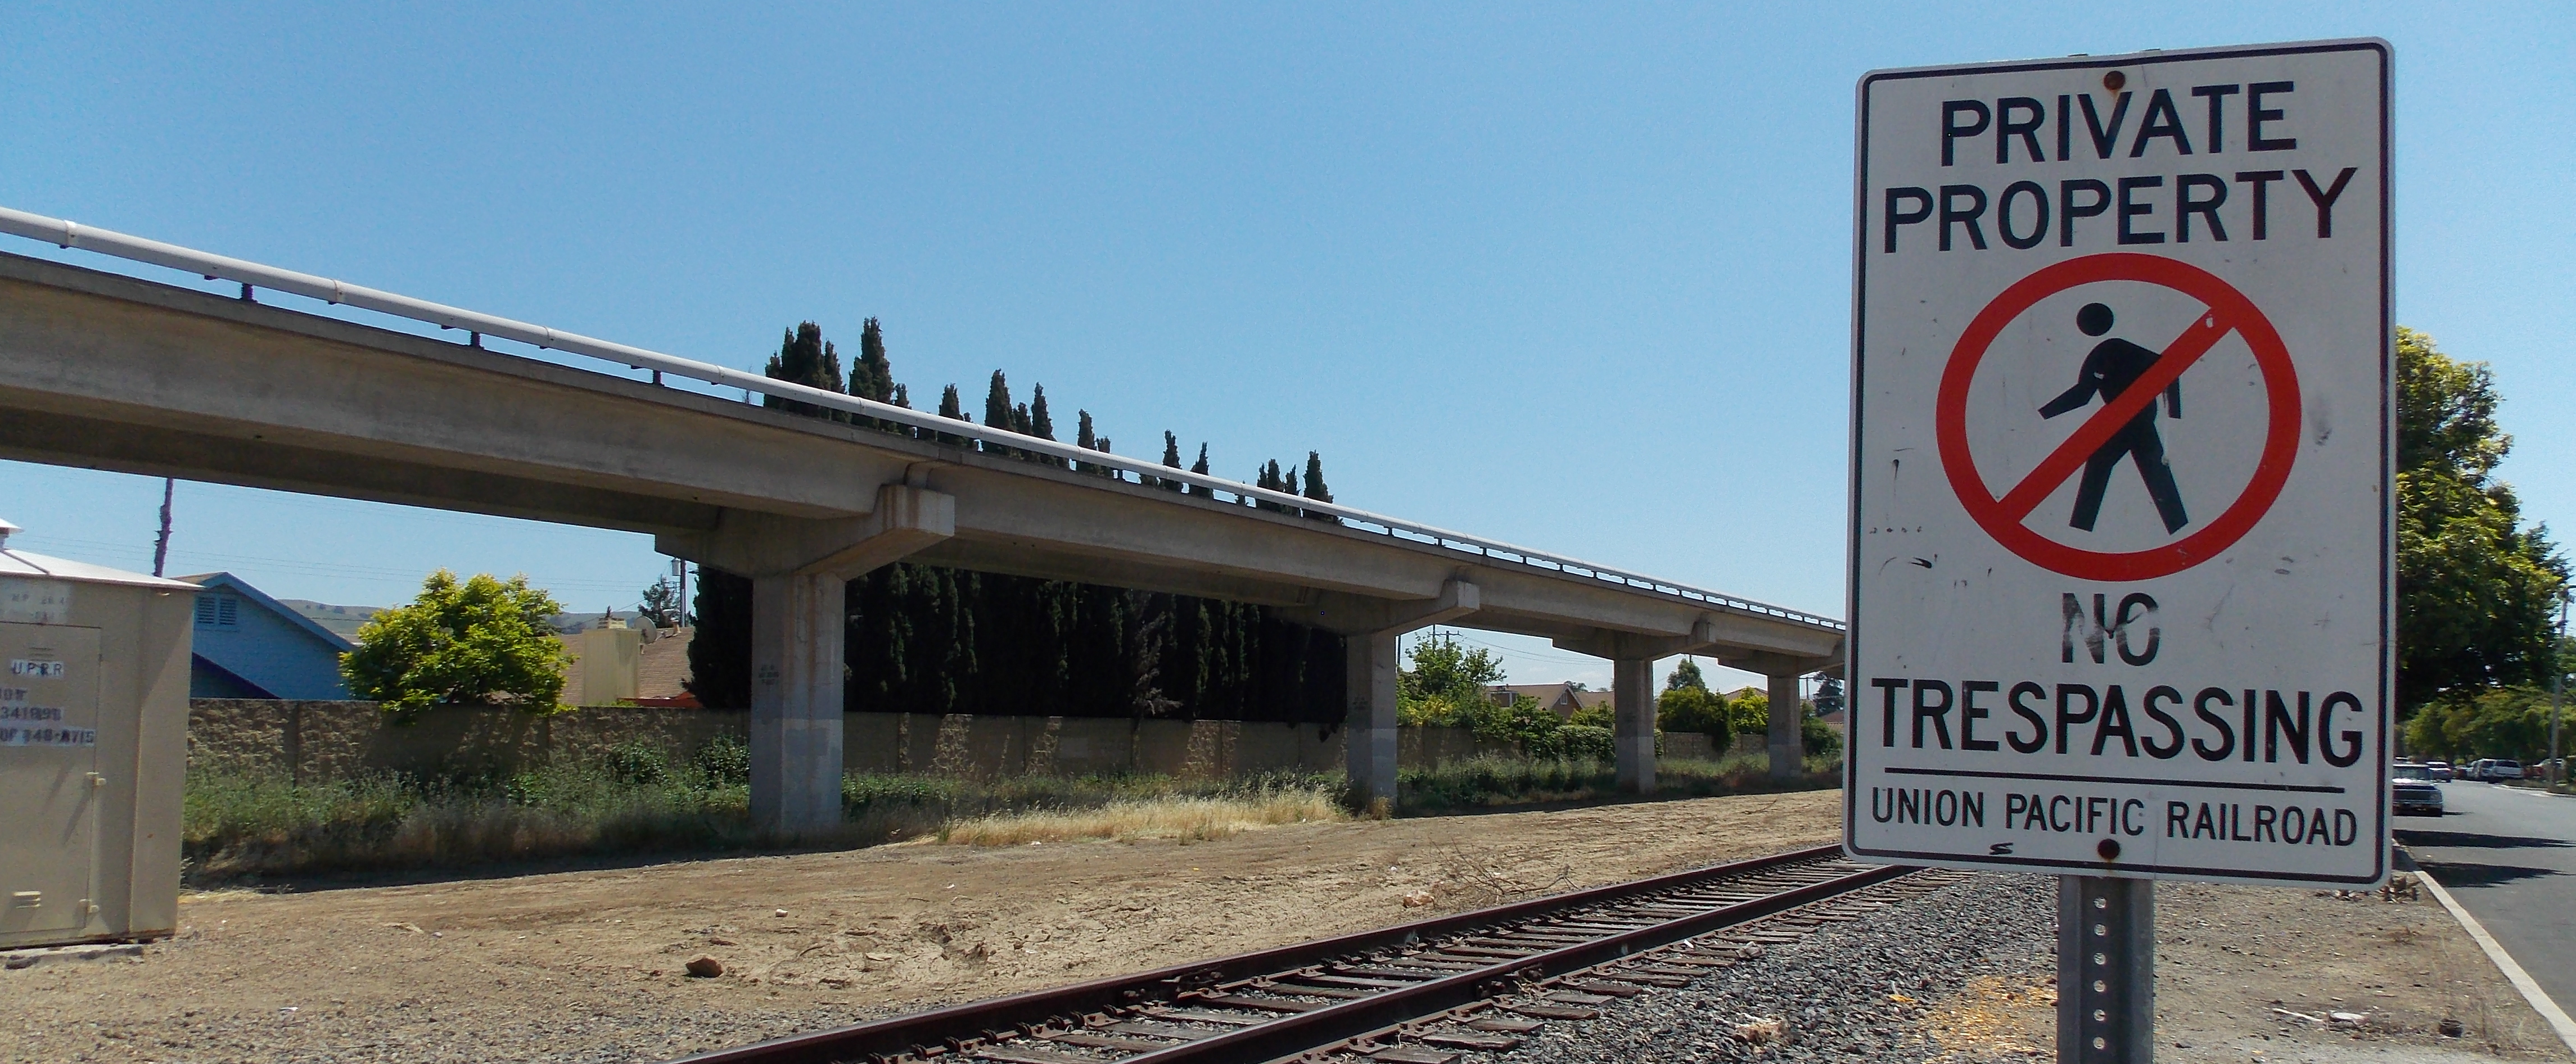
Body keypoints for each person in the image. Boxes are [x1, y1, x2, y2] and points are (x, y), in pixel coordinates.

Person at [2038, 302, 2189, 533]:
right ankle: (2180, 529)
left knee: (2103, 464)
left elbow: (2169, 369)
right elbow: (2083, 395)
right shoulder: (2105, 352)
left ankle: (2079, 530)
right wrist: (2043, 415)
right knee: (2148, 470)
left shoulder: (2111, 350)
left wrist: (2174, 416)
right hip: (2126, 422)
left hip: (2133, 422)